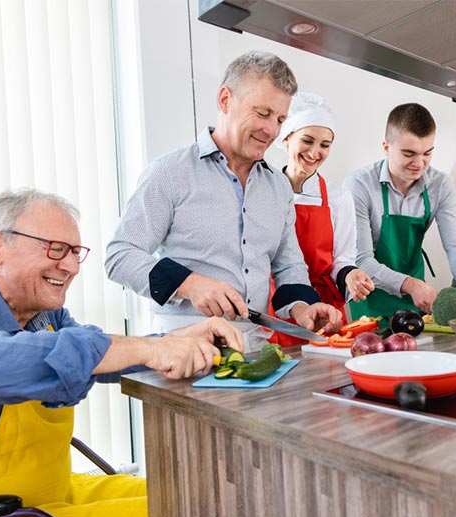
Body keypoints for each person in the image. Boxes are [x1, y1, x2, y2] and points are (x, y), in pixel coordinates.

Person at [0, 189, 243, 517]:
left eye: (74, 253)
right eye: (56, 249)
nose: (70, 267)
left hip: (47, 492)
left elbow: (101, 353)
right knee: (194, 516)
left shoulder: (44, 317)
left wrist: (175, 341)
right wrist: (152, 350)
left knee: (202, 496)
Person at [105, 51, 342, 348]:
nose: (272, 130)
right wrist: (188, 284)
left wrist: (304, 308)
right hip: (184, 346)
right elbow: (120, 255)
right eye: (262, 113)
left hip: (257, 347)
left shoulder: (278, 187)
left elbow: (288, 266)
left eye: (280, 119)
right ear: (225, 100)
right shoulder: (170, 172)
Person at [344, 102, 456, 320]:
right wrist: (410, 285)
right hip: (370, 299)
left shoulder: (440, 184)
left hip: (416, 297)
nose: (419, 164)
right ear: (386, 147)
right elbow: (362, 260)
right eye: (408, 153)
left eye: (427, 153)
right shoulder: (359, 185)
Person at [274, 91, 374, 333]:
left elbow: (342, 260)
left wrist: (350, 275)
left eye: (325, 145)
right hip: (275, 304)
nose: (315, 152)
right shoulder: (266, 191)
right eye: (307, 141)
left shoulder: (338, 198)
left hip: (324, 309)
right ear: (287, 138)